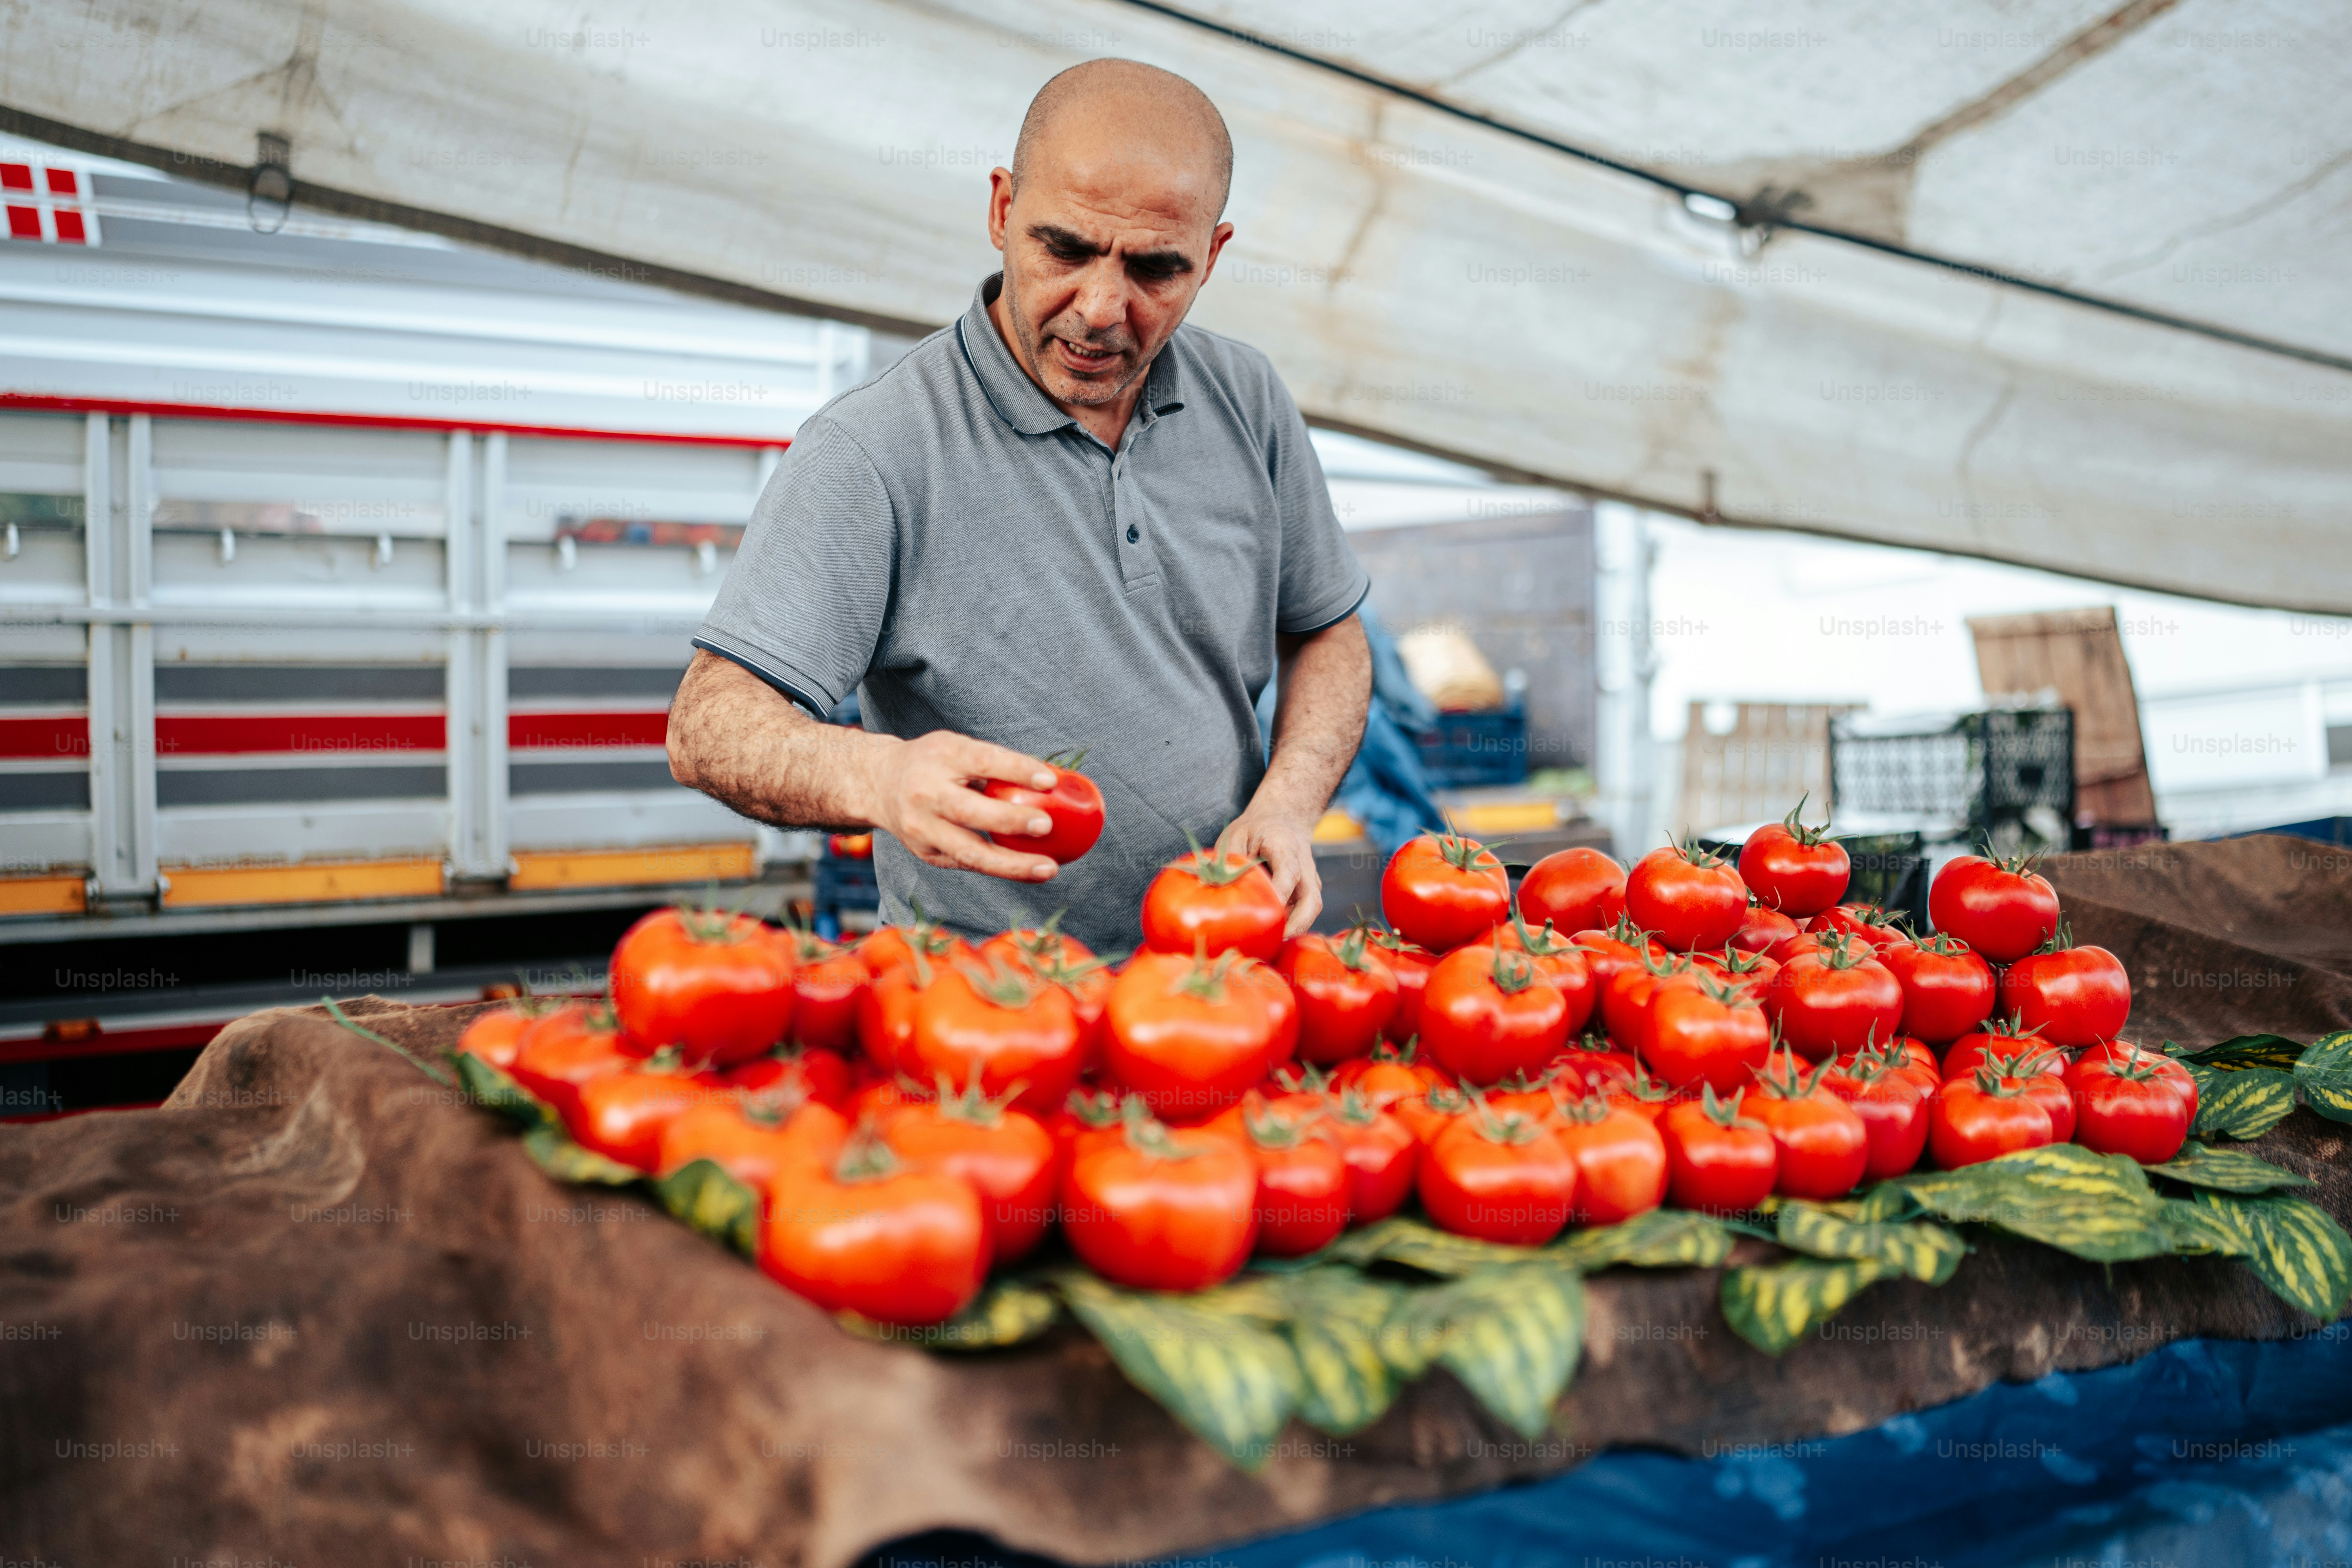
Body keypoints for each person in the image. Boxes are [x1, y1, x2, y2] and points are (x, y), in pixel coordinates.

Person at [668, 58, 1371, 954]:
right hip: (985, 1015)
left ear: (1213, 255)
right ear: (1001, 210)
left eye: (1156, 268)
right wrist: (879, 777)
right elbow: (707, 724)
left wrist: (1286, 803)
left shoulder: (1248, 397)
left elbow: (1327, 632)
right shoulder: (875, 450)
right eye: (1066, 250)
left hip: (1216, 986)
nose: (1101, 308)